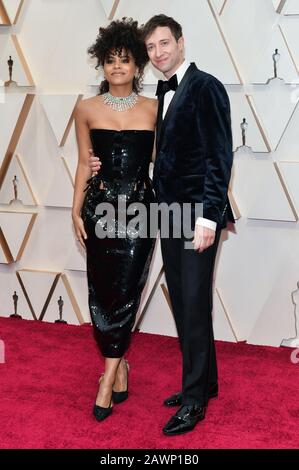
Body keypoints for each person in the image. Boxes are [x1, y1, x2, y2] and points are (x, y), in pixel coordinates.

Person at [89, 14, 234, 436]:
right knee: (190, 304)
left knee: (190, 305)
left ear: (182, 43)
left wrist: (209, 217)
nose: (158, 53)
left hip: (195, 217)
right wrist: (101, 162)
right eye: (151, 48)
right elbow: (150, 153)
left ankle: (193, 403)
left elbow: (218, 158)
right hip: (166, 215)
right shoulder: (161, 93)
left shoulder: (206, 87)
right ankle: (205, 384)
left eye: (164, 44)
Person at [72, 18, 157, 422]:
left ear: (138, 65)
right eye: (110, 60)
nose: (117, 67)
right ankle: (119, 365)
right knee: (102, 291)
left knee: (127, 290)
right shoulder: (85, 108)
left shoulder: (154, 109)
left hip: (141, 211)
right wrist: (74, 208)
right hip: (100, 209)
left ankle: (106, 379)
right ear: (101, 65)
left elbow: (163, 161)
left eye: (125, 60)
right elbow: (82, 163)